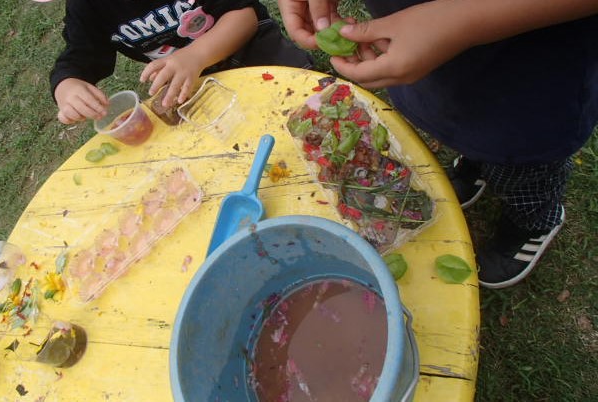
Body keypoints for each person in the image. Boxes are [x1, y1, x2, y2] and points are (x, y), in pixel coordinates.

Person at [277, 0, 598, 288]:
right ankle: (476, 166)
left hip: (529, 87)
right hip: (434, 68)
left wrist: (459, 20)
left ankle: (534, 222)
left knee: (524, 173)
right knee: (468, 133)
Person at [51, 0, 314, 125]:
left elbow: (244, 16)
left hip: (251, 51)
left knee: (307, 108)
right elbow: (79, 54)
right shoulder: (86, 7)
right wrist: (67, 86)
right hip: (190, 86)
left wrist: (195, 56)